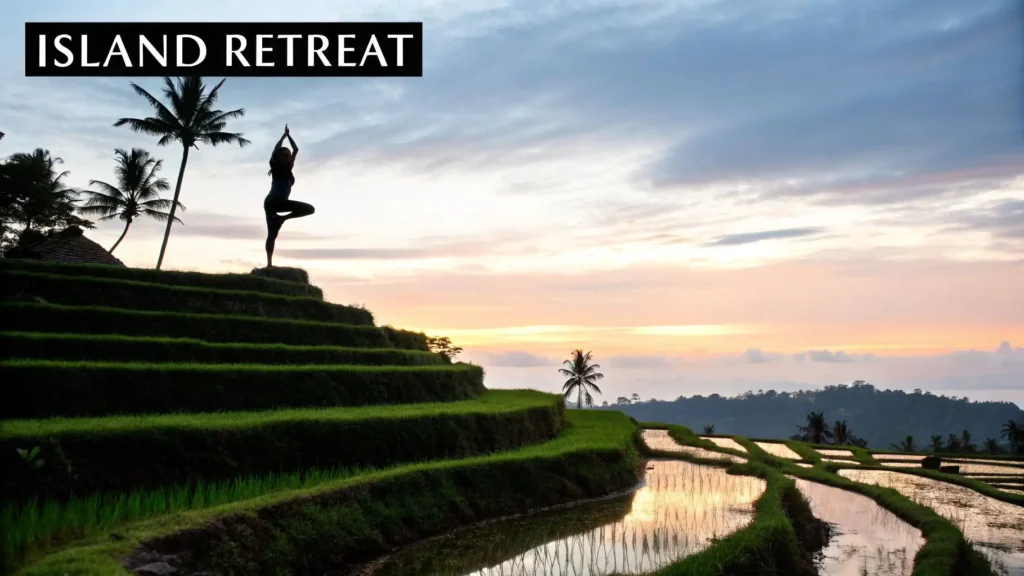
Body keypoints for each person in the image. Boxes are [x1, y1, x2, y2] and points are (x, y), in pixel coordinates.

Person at [264, 124, 314, 267]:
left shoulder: (288, 168)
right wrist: (283, 137)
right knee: (272, 233)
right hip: (274, 200)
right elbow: (276, 149)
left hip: (276, 202)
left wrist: (289, 136)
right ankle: (282, 219)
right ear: (278, 156)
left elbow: (296, 149)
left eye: (288, 155)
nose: (287, 156)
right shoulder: (275, 165)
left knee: (273, 234)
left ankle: (269, 265)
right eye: (284, 154)